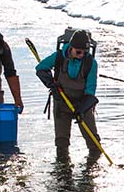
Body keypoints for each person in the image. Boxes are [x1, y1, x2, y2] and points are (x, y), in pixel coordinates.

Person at [35, 30, 100, 161]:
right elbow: (41, 68)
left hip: (82, 105)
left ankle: (92, 168)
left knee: (93, 142)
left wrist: (81, 109)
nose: (81, 55)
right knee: (61, 142)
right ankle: (63, 172)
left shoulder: (91, 63)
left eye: (84, 52)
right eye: (78, 52)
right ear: (71, 48)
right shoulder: (58, 57)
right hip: (61, 102)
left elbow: (90, 90)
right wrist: (50, 83)